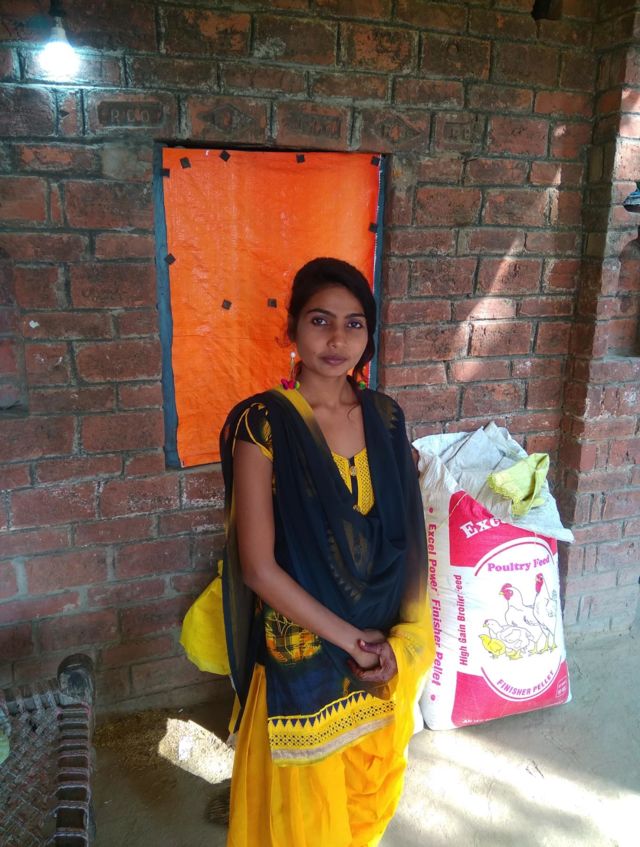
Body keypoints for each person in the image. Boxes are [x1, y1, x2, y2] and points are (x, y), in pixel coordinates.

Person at [204, 257, 434, 847]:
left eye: (354, 324)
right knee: (301, 819)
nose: (337, 339)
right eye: (320, 320)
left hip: (381, 642)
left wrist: (399, 644)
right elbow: (258, 568)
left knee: (362, 804)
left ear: (369, 335)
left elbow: (405, 540)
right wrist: (354, 641)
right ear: (292, 330)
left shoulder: (385, 417)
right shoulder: (264, 424)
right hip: (303, 651)